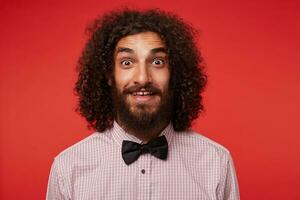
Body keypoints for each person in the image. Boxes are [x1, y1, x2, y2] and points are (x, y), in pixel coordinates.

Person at [46, 8, 240, 200]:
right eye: (127, 62)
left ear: (175, 73)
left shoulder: (216, 163)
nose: (143, 78)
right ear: (109, 75)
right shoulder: (68, 168)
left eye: (157, 62)